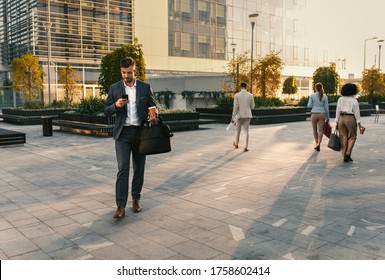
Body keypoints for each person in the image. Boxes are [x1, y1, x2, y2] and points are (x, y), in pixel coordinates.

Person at [104, 57, 157, 219]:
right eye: (123, 73)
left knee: (139, 168)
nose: (126, 75)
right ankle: (120, 206)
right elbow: (106, 111)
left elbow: (152, 105)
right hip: (123, 135)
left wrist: (153, 114)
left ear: (134, 70)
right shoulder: (114, 88)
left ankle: (136, 199)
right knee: (123, 168)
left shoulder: (145, 87)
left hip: (141, 134)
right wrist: (116, 106)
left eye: (128, 72)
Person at [335, 83, 365, 163]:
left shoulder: (340, 99)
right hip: (350, 118)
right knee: (353, 137)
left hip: (341, 118)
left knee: (343, 137)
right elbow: (357, 113)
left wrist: (336, 121)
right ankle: (348, 154)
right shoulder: (354, 100)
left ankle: (344, 155)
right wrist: (359, 125)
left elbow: (337, 111)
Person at [232, 82, 255, 152]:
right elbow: (252, 106)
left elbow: (235, 107)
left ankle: (236, 144)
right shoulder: (250, 95)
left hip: (239, 115)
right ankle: (246, 146)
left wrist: (233, 116)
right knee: (246, 131)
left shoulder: (237, 95)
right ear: (246, 87)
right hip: (248, 115)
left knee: (237, 130)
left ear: (240, 87)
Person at [307, 82, 330, 151]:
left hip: (314, 114)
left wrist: (313, 102)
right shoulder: (325, 96)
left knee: (314, 130)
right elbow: (326, 108)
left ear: (315, 88)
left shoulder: (312, 96)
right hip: (322, 114)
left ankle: (316, 143)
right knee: (320, 130)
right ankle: (319, 144)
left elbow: (309, 106)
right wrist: (328, 117)